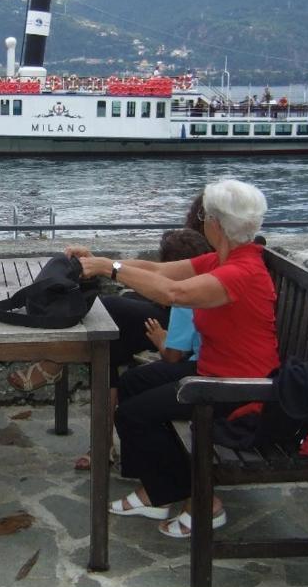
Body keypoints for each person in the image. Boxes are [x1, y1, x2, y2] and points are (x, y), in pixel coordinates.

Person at [71, 179, 278, 538]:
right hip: (214, 370)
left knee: (134, 413)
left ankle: (201, 501)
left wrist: (109, 269)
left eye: (204, 215)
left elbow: (173, 292)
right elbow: (162, 271)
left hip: (241, 388)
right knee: (134, 384)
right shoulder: (223, 258)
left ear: (215, 223)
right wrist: (101, 261)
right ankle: (156, 489)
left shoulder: (239, 272)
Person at [142, 229, 211, 363]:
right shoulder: (214, 285)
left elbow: (173, 357)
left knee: (130, 379)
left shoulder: (183, 300)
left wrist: (161, 340)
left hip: (200, 365)